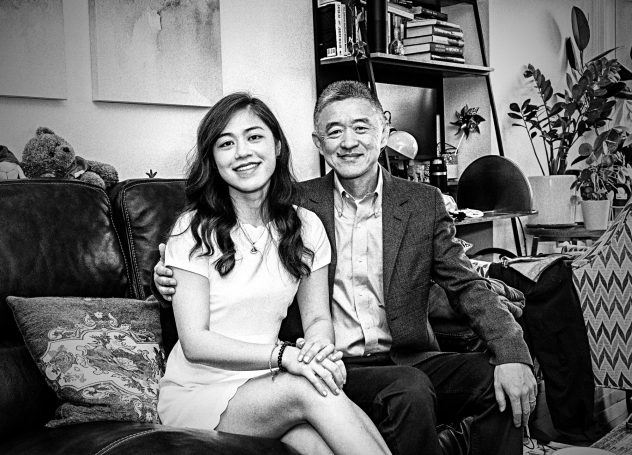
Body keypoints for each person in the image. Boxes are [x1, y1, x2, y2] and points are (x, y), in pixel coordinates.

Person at [155, 81, 538, 455]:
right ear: (318, 142)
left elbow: (465, 285)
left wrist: (512, 352)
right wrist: (166, 277)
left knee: (494, 378)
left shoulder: (307, 222)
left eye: (361, 127)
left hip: (356, 362)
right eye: (226, 143)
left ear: (384, 132)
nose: (349, 142)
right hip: (259, 378)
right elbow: (199, 328)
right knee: (364, 389)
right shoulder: (219, 223)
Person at [156, 92, 391, 455]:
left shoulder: (306, 226)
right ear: (213, 159)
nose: (242, 152)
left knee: (320, 443)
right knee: (310, 387)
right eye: (226, 143)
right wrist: (285, 356)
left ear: (277, 146)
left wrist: (319, 352)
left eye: (254, 137)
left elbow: (317, 319)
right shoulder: (193, 229)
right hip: (200, 392)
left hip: (268, 386)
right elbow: (195, 342)